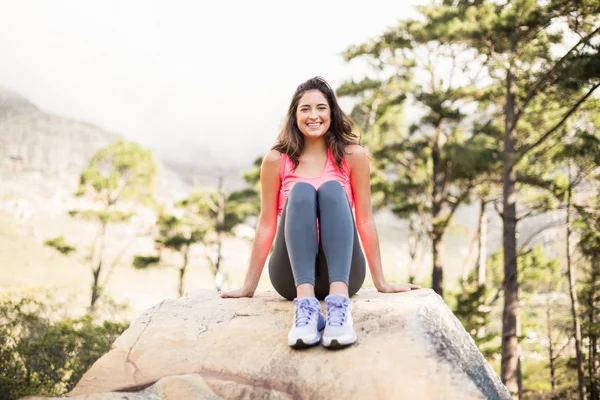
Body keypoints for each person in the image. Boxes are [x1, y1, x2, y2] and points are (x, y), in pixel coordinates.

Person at [220, 76, 420, 349]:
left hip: (345, 273)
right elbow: (266, 225)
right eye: (305, 109)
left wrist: (381, 281)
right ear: (294, 115)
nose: (313, 115)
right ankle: (305, 311)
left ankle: (339, 310)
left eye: (321, 107)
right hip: (291, 277)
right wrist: (248, 286)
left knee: (331, 190)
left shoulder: (353, 155)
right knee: (300, 191)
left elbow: (364, 219)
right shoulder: (277, 160)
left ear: (332, 112)